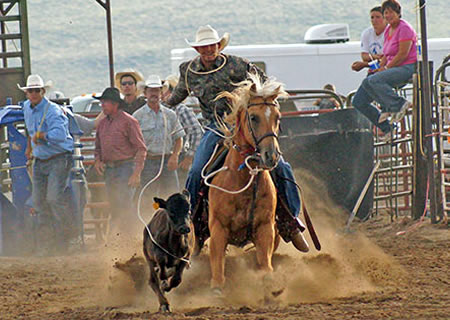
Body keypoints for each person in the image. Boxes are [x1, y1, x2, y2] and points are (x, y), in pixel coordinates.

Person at [166, 25, 308, 252]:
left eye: (211, 46)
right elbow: (178, 95)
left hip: (244, 124)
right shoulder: (189, 71)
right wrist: (162, 104)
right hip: (215, 127)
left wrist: (256, 95)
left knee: (281, 166)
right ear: (198, 49)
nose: (208, 50)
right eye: (203, 47)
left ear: (218, 46)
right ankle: (191, 225)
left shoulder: (237, 64)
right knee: (196, 171)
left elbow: (263, 82)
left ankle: (291, 222)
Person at [19, 74, 75, 256]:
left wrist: (42, 136)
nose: (33, 93)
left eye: (36, 90)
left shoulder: (53, 111)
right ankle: (48, 245)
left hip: (58, 158)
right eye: (30, 91)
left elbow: (59, 134)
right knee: (39, 202)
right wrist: (30, 146)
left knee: (53, 199)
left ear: (42, 92)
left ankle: (64, 241)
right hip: (41, 159)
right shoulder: (27, 108)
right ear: (27, 93)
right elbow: (30, 130)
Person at [352, 0, 416, 139]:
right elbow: (386, 54)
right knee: (358, 100)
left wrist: (385, 68)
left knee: (374, 80)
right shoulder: (388, 30)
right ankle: (387, 127)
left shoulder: (404, 28)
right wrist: (381, 68)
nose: (388, 15)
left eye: (390, 12)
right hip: (392, 67)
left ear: (398, 13)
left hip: (406, 66)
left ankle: (398, 104)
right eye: (385, 12)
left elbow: (402, 54)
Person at [94, 87, 147, 234]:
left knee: (124, 203)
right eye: (102, 102)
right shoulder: (103, 124)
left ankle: (128, 236)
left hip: (126, 167)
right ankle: (121, 237)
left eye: (105, 102)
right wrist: (98, 160)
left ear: (115, 104)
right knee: (115, 204)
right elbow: (97, 147)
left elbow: (141, 148)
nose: (102, 105)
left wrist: (136, 173)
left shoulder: (129, 122)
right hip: (110, 169)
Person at [133, 75, 185, 200]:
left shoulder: (170, 115)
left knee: (172, 195)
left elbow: (179, 137)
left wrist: (175, 156)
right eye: (151, 90)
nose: (154, 93)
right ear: (145, 93)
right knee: (147, 197)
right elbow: (133, 142)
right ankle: (146, 218)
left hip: (167, 160)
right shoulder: (138, 116)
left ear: (161, 93)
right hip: (148, 162)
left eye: (156, 90)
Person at [162, 75, 203, 174]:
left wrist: (189, 157)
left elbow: (197, 132)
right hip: (162, 157)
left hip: (179, 157)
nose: (162, 93)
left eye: (165, 90)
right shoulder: (161, 109)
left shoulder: (181, 110)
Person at [352, 6, 387, 73]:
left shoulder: (389, 33)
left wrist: (369, 60)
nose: (374, 20)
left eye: (378, 17)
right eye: (372, 17)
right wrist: (375, 57)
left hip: (386, 69)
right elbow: (364, 56)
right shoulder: (367, 33)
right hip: (373, 68)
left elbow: (386, 59)